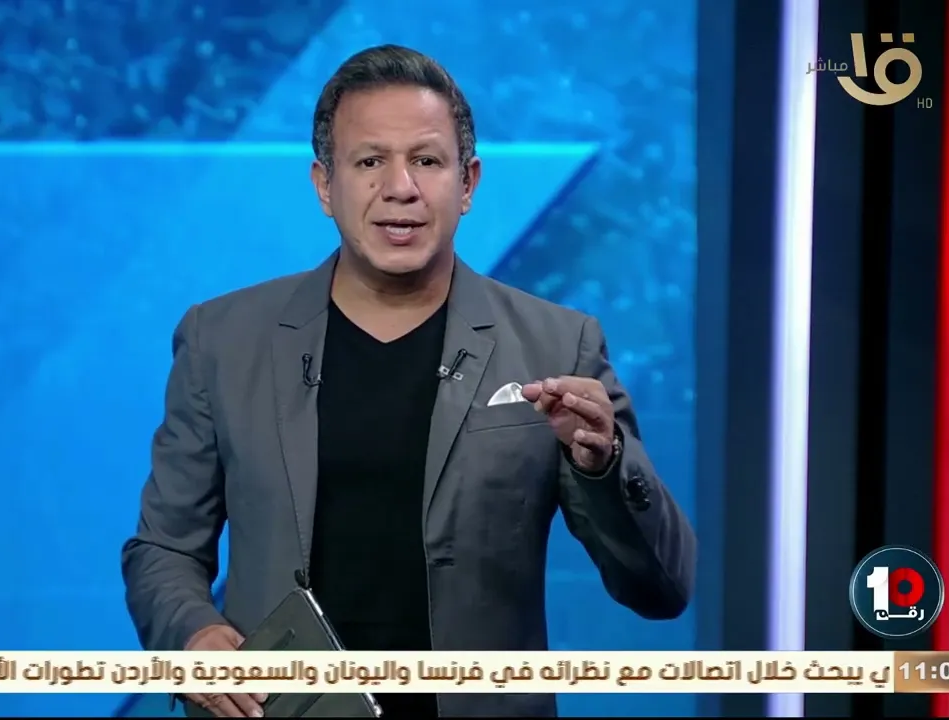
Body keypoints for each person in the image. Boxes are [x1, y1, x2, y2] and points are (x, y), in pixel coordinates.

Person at [122, 44, 697, 718]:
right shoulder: (222, 339)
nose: (401, 187)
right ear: (324, 185)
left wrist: (604, 466)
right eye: (370, 162)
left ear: (468, 183)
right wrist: (192, 634)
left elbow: (662, 588)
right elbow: (162, 547)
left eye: (427, 161)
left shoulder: (557, 345)